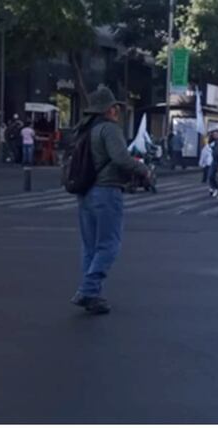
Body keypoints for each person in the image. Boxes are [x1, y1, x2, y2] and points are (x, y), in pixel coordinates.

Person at [70, 85, 150, 315]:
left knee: (90, 247)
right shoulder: (108, 129)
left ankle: (93, 295)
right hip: (106, 190)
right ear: (110, 109)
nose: (118, 111)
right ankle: (87, 289)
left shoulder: (84, 129)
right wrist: (143, 169)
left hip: (84, 191)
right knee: (109, 245)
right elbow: (121, 159)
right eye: (116, 107)